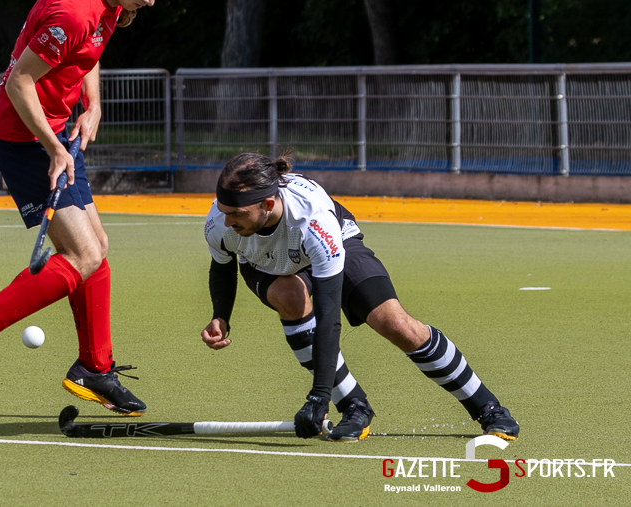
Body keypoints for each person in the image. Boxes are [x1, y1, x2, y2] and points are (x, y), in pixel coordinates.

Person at [0, 0, 178, 416]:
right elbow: (19, 82)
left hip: (57, 132)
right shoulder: (74, 10)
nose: (152, 0)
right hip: (23, 137)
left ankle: (95, 368)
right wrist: (52, 147)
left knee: (97, 248)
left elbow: (88, 54)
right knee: (83, 253)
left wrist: (93, 104)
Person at [201, 152, 519, 442]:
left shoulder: (314, 219)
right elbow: (222, 265)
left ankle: (487, 407)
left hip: (334, 245)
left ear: (268, 204)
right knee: (289, 295)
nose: (227, 220)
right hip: (267, 263)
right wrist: (221, 316)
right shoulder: (220, 222)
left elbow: (328, 315)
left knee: (396, 324)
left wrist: (318, 396)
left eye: (236, 213)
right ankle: (354, 405)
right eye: (224, 211)